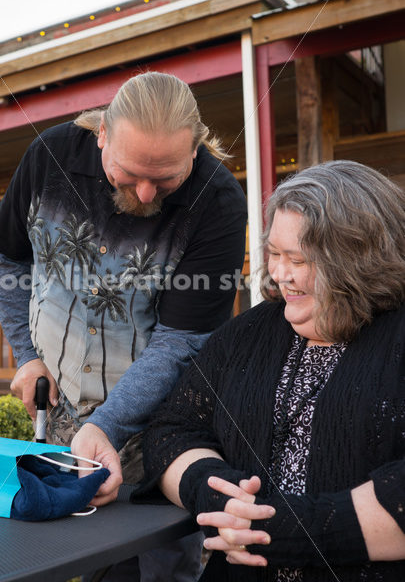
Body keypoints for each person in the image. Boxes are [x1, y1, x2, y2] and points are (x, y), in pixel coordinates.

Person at [0, 71, 247, 581]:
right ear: (102, 133)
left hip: (162, 433)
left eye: (166, 177)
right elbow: (6, 255)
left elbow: (182, 341)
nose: (147, 193)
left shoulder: (217, 202)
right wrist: (26, 353)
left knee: (154, 572)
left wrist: (105, 425)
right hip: (58, 414)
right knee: (49, 562)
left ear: (194, 150)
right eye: (129, 173)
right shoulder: (48, 156)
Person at [139, 160, 405, 581]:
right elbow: (172, 428)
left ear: (357, 259)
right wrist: (216, 494)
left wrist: (269, 529)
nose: (279, 274)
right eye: (275, 253)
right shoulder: (251, 331)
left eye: (297, 259)